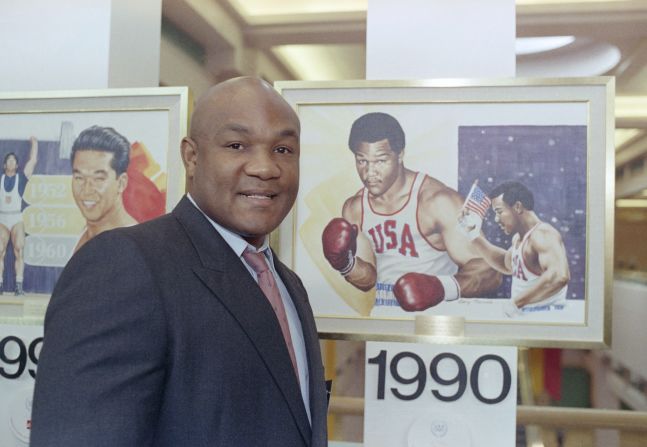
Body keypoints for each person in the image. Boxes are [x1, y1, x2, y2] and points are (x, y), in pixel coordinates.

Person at [31, 77, 328, 446]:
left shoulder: (288, 286)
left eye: (283, 149)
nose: (265, 168)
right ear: (191, 156)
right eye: (237, 145)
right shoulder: (125, 264)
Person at [321, 112, 501, 314]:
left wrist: (440, 288)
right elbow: (368, 280)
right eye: (362, 161)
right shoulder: (355, 208)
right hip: (386, 324)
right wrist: (345, 263)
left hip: (438, 322)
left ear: (400, 155)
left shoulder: (438, 202)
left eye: (380, 161)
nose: (369, 172)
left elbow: (490, 270)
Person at [459, 180, 570, 316]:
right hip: (529, 319)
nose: (496, 219)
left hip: (545, 320)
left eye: (499, 212)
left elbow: (559, 276)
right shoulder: (519, 238)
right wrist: (474, 235)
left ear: (517, 207)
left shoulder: (542, 234)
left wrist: (516, 303)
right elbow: (506, 264)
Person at [70, 125, 137, 253]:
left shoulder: (131, 246)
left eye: (99, 179)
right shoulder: (84, 234)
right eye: (79, 177)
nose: (87, 190)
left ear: (121, 183)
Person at [0, 136, 38, 295]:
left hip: (16, 219)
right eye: (8, 160)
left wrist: (34, 143)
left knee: (19, 250)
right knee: (0, 251)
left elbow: (33, 161)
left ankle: (19, 286)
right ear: (4, 165)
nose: (10, 162)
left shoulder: (21, 178)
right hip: (2, 218)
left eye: (13, 160)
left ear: (16, 165)